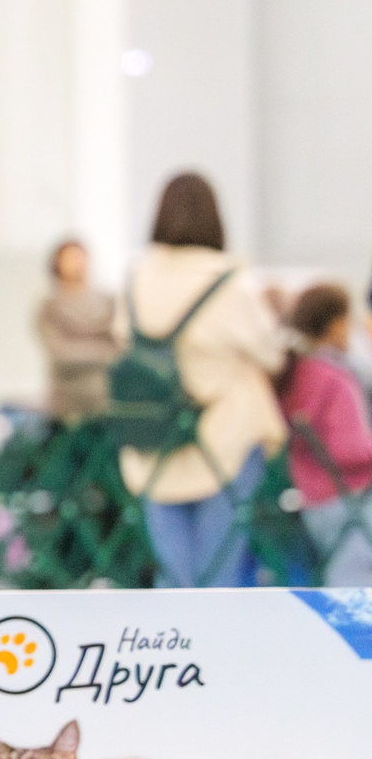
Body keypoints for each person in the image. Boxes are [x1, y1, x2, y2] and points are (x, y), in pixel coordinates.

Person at [119, 172, 286, 588]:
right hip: (224, 437)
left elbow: (121, 339)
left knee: (175, 577)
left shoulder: (136, 278)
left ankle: (173, 652)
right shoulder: (228, 281)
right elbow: (270, 352)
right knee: (219, 576)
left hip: (152, 439)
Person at [277, 283, 372, 586]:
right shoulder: (337, 377)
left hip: (312, 496)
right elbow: (351, 449)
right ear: (335, 325)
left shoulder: (297, 371)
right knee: (354, 582)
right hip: (351, 495)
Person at [36, 238, 119, 423]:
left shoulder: (107, 301)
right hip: (67, 404)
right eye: (70, 258)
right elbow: (61, 354)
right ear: (57, 263)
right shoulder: (49, 307)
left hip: (106, 399)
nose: (77, 263)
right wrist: (102, 350)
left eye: (80, 257)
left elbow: (120, 346)